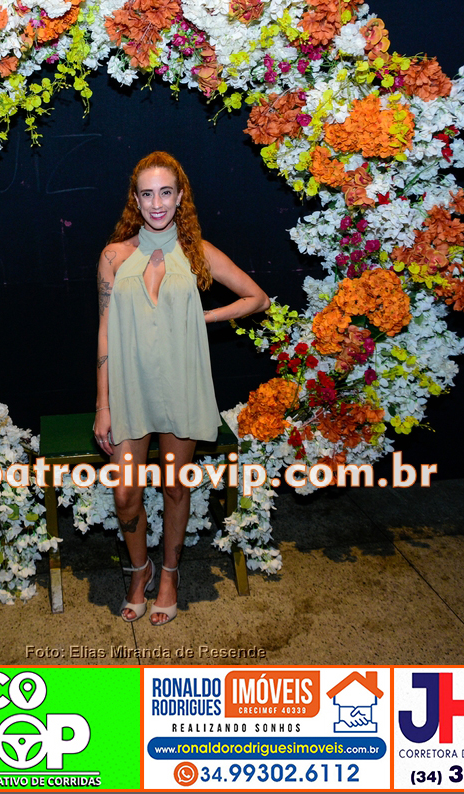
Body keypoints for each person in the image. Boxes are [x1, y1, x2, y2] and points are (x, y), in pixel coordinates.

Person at [93, 151, 270, 625]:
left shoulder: (198, 253)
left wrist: (203, 316)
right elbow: (105, 331)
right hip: (129, 387)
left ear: (179, 197)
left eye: (165, 193)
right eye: (147, 194)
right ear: (135, 200)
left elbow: (257, 299)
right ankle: (140, 569)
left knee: (175, 486)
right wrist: (103, 405)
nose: (157, 203)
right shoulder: (114, 256)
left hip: (181, 385)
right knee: (125, 494)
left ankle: (169, 573)